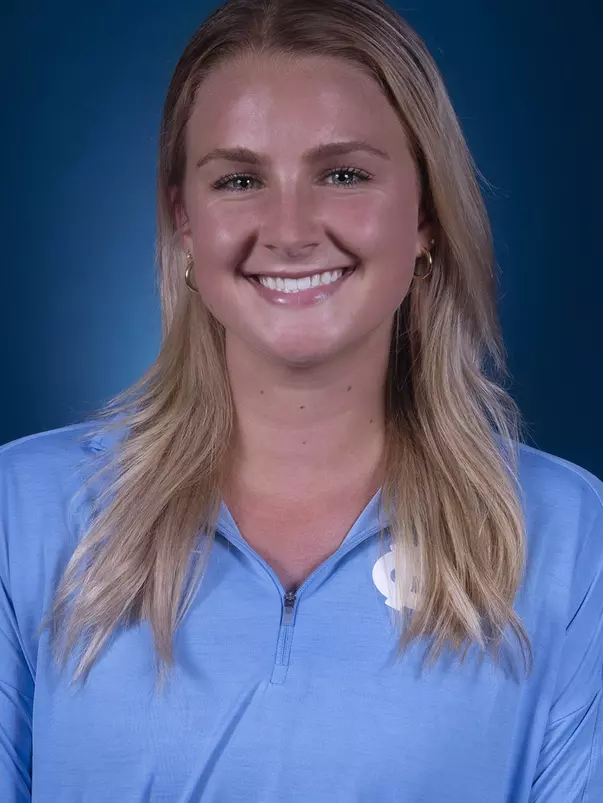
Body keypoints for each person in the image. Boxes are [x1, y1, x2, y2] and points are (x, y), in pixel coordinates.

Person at [1, 0, 602, 800]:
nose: (289, 230)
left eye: (342, 174)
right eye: (239, 179)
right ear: (185, 221)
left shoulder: (570, 538)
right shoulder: (21, 514)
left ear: (425, 215)